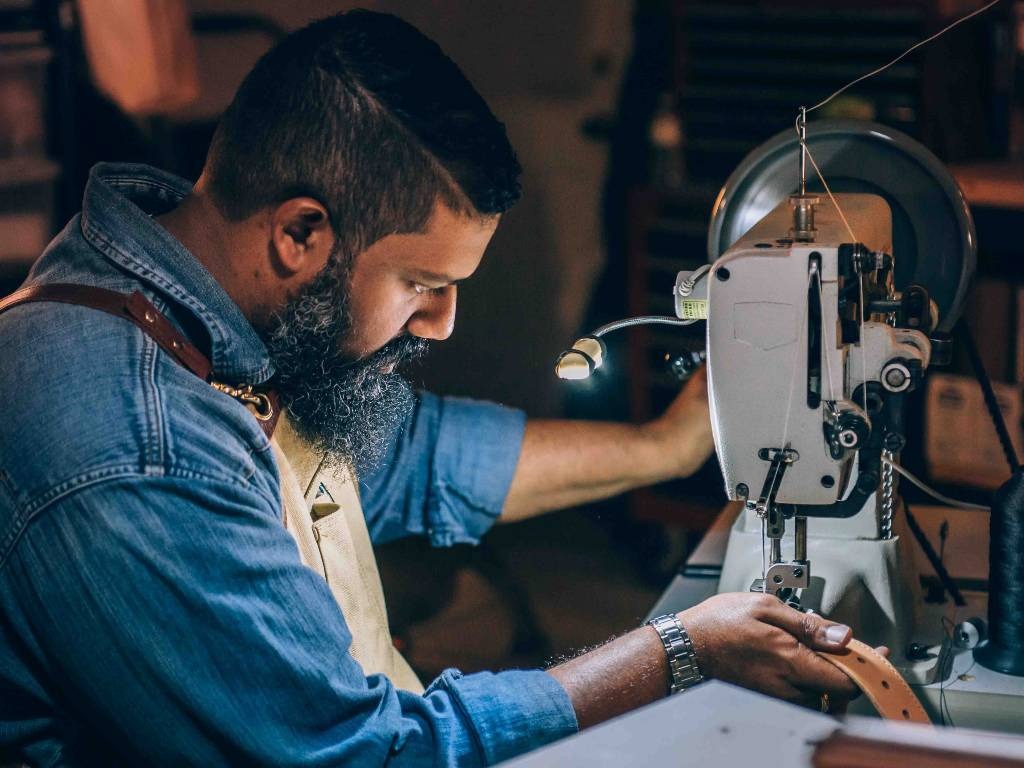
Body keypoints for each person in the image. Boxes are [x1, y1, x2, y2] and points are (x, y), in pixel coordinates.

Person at [0, 10, 860, 767]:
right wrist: (678, 649)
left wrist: (666, 446)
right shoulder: (137, 451)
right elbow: (364, 756)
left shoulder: (201, 300)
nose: (442, 323)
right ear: (302, 232)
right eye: (421, 282)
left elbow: (419, 456)